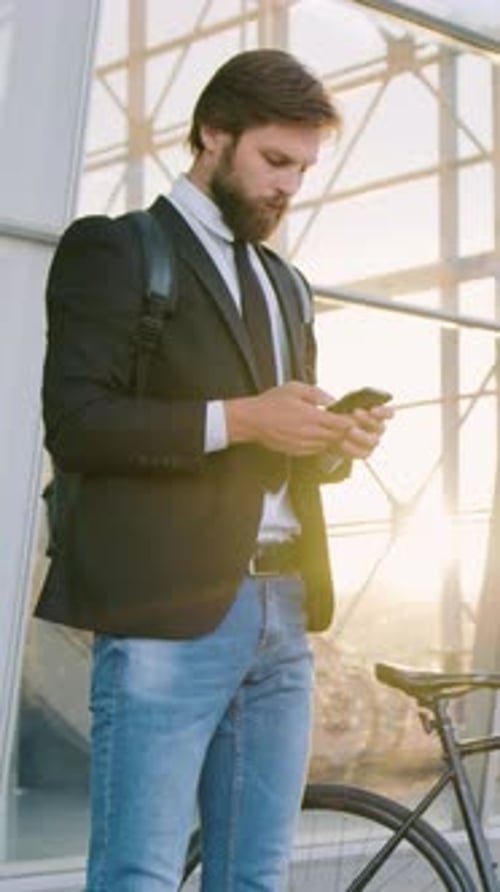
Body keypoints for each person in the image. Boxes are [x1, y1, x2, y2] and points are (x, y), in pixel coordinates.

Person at [37, 49, 393, 892]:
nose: (288, 187)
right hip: (167, 615)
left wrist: (330, 442)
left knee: (256, 878)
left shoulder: (288, 284)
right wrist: (244, 418)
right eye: (274, 161)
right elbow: (77, 424)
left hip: (285, 613)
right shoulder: (118, 250)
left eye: (302, 170)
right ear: (211, 134)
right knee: (139, 876)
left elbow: (275, 445)